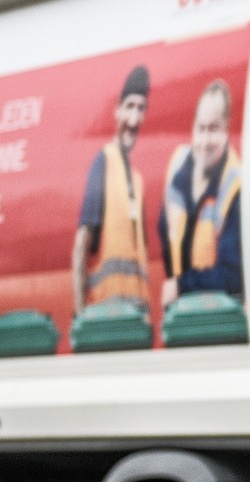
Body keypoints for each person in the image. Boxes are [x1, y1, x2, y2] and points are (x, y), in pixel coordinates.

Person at [73, 65, 150, 315]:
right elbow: (81, 245)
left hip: (137, 315)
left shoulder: (138, 181)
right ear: (117, 110)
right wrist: (81, 315)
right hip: (106, 315)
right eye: (129, 107)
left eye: (141, 109)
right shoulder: (104, 161)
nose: (134, 119)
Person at [158, 79, 243, 305]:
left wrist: (182, 285)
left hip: (215, 322)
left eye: (213, 129)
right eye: (201, 128)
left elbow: (233, 275)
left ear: (226, 129)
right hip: (179, 320)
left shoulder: (233, 186)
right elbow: (164, 232)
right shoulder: (177, 167)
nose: (205, 141)